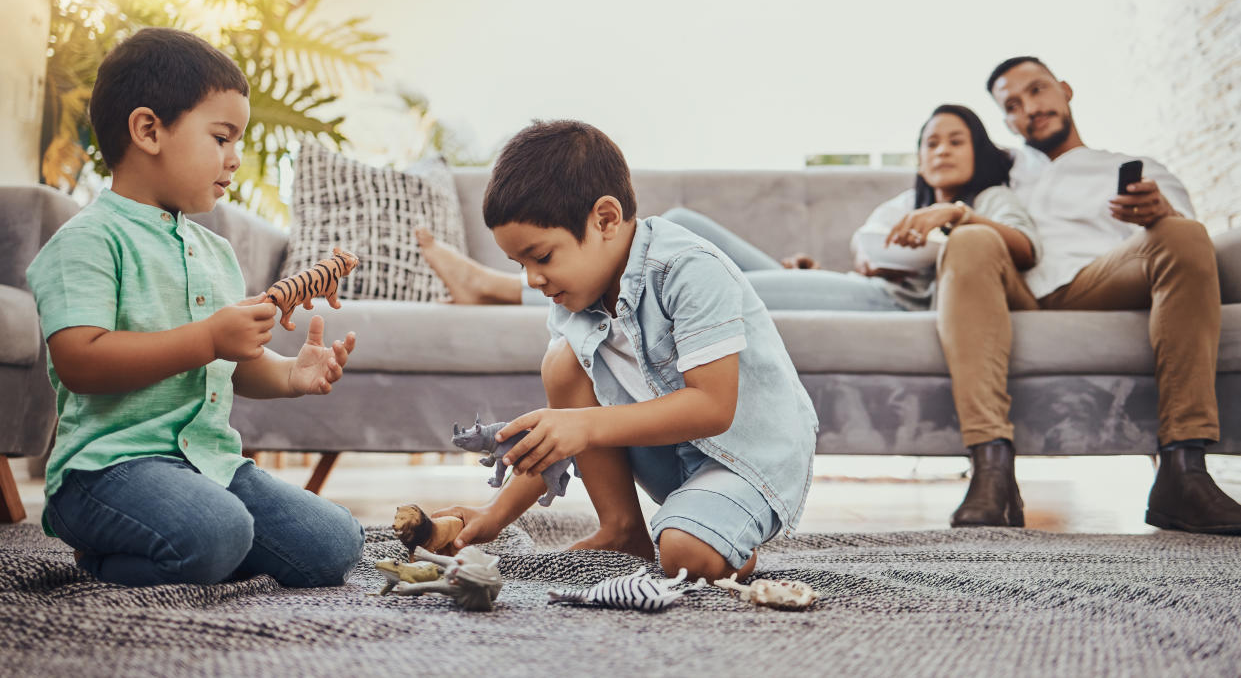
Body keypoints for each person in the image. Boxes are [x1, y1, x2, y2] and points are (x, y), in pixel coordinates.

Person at [25, 28, 365, 587]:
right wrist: (207, 337)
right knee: (219, 532)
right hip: (107, 471)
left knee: (332, 544)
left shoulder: (215, 251)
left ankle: (201, 552)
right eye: (222, 137)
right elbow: (79, 363)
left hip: (212, 465)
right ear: (148, 130)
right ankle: (107, 561)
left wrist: (289, 375)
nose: (235, 159)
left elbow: (232, 362)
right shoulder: (88, 240)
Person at [433, 120, 818, 582]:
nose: (533, 280)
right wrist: (493, 516)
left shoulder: (688, 269)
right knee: (562, 362)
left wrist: (584, 426)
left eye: (543, 257)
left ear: (606, 220)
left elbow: (714, 408)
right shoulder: (578, 299)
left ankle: (714, 537)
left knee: (682, 554)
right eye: (521, 265)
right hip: (671, 452)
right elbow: (564, 433)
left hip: (748, 459)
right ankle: (621, 529)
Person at [937, 55, 1241, 533]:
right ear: (1005, 121)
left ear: (1065, 89)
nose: (1030, 108)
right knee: (971, 237)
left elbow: (1187, 255)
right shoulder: (999, 179)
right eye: (1013, 105)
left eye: (1037, 91)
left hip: (1102, 282)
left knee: (1184, 233)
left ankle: (1183, 472)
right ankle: (991, 472)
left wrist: (1159, 212)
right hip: (1013, 287)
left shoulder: (1128, 168)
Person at [414, 104, 1040, 313]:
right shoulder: (903, 203)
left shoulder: (989, 201)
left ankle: (494, 288)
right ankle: (492, 286)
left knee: (671, 271)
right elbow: (865, 248)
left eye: (956, 140)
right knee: (681, 228)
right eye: (931, 140)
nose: (941, 149)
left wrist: (954, 218)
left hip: (894, 305)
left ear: (980, 149)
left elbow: (1023, 249)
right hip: (857, 284)